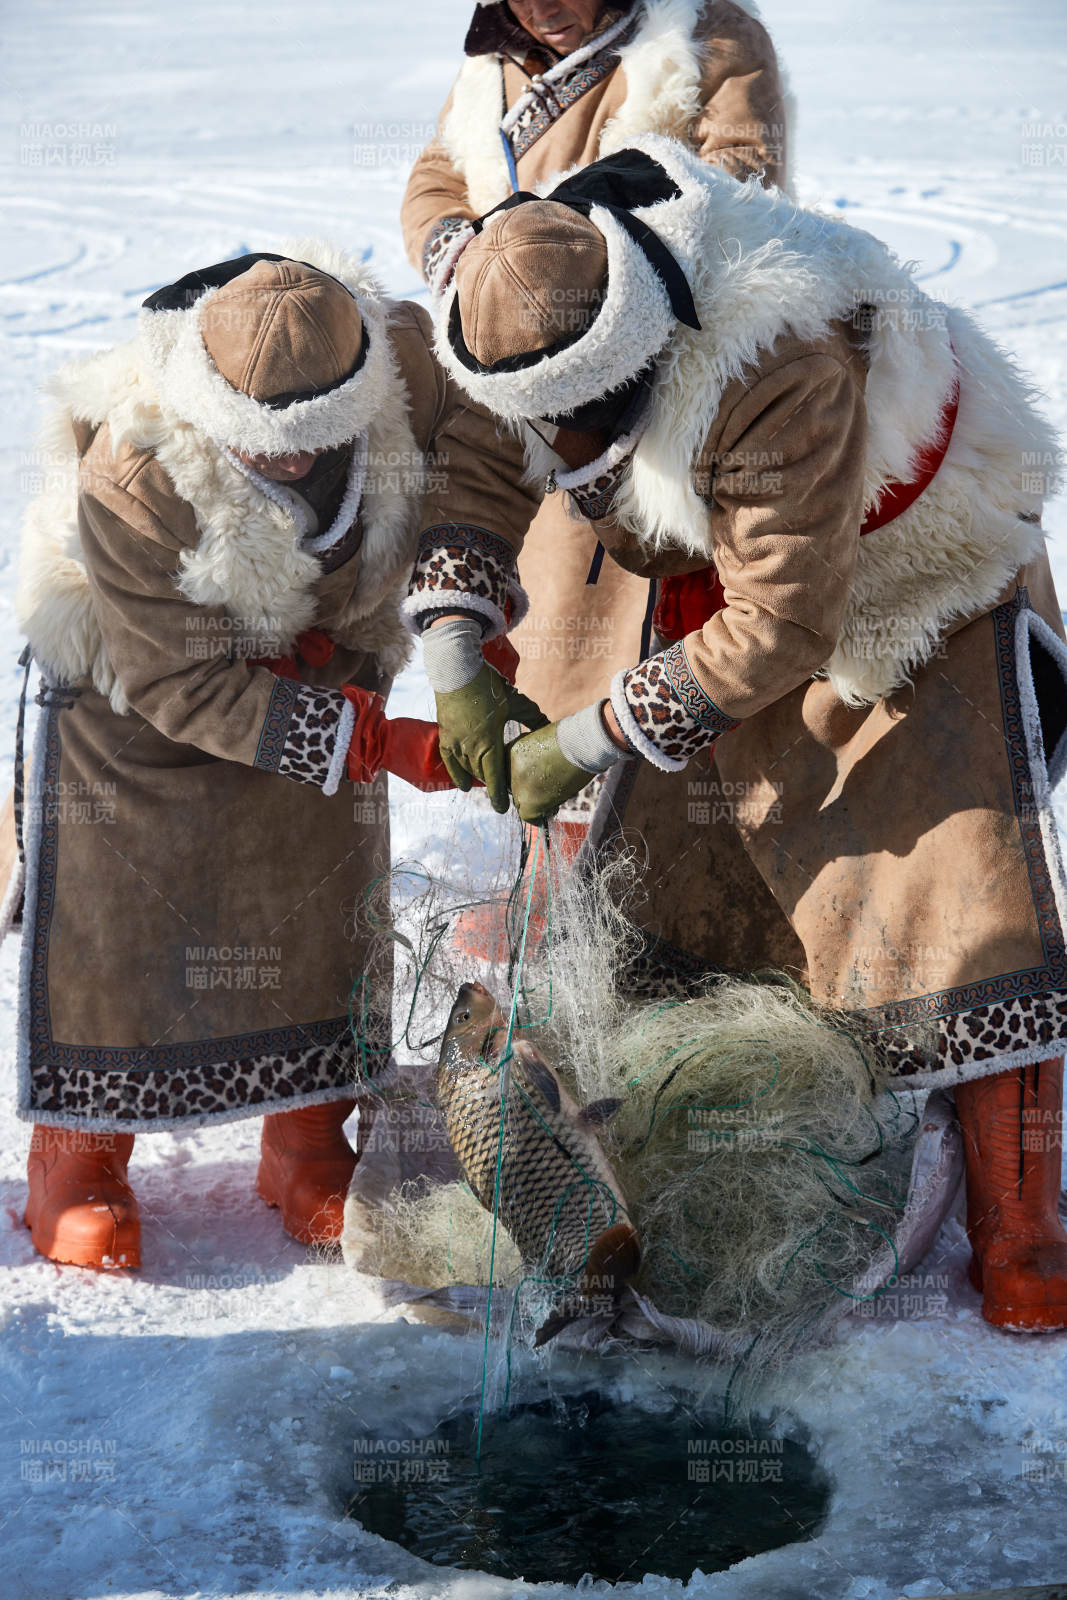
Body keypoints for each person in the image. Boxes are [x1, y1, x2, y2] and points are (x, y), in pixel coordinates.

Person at [405, 135, 1067, 1333]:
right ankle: (663, 1123)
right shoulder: (529, 284)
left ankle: (1020, 1219)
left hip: (914, 569)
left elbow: (784, 623)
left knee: (951, 895)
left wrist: (584, 736)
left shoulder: (778, 358)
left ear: (639, 351)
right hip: (748, 571)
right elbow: (479, 462)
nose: (556, 446)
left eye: (579, 420)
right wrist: (457, 657)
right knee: (689, 867)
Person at [15, 246, 540, 1270]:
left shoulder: (406, 359)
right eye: (268, 448)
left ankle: (305, 1140)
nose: (296, 463)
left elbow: (484, 450)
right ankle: (76, 1156)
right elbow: (178, 685)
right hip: (139, 683)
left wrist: (469, 629)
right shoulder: (135, 468)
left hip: (320, 641)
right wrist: (378, 741)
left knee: (318, 890)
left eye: (316, 441)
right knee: (122, 909)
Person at [401, 0, 790, 867]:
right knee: (548, 661)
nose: (542, 8)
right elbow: (434, 177)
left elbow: (738, 179)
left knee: (683, 656)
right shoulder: (492, 68)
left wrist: (570, 255)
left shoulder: (706, 39)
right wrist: (467, 255)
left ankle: (682, 891)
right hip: (521, 383)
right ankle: (555, 883)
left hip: (656, 387)